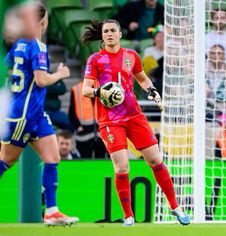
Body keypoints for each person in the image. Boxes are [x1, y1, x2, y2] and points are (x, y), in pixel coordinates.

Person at [81, 19, 190, 226]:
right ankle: (129, 216)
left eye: (113, 30)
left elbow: (142, 78)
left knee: (156, 161)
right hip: (110, 120)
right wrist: (100, 91)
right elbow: (86, 89)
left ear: (120, 34)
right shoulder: (95, 60)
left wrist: (153, 92)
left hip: (134, 116)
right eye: (106, 31)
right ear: (102, 36)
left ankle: (175, 207)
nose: (110, 34)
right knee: (122, 168)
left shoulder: (131, 56)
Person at [0, 2, 78, 226]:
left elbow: (8, 70)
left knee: (52, 158)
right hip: (23, 114)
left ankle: (52, 211)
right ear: (43, 21)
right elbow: (42, 79)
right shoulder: (37, 46)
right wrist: (61, 74)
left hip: (35, 113)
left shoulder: (19, 45)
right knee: (6, 160)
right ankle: (51, 211)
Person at [68, 81, 108, 158]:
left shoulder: (104, 87)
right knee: (84, 163)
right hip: (84, 135)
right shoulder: (76, 89)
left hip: (101, 135)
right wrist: (77, 126)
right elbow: (71, 112)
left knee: (101, 164)